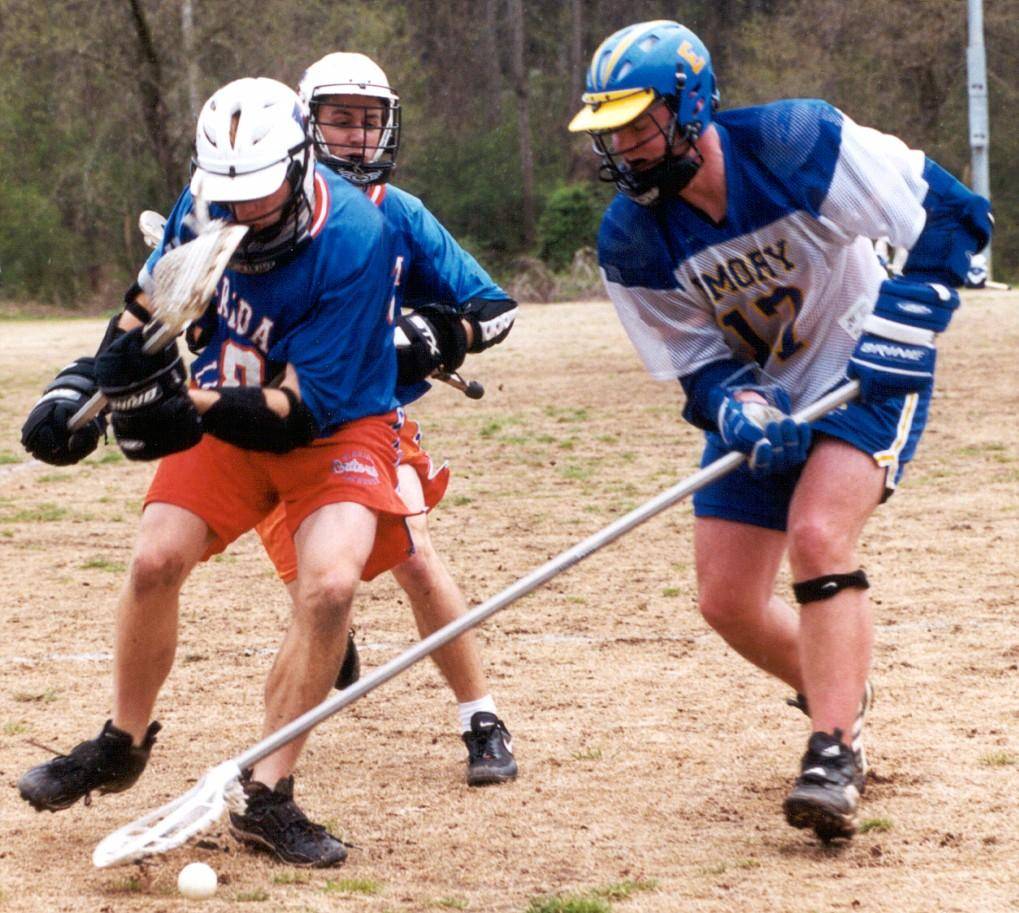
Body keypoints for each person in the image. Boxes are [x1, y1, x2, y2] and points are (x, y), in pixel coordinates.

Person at [568, 21, 991, 841]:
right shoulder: (630, 237)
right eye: (608, 130)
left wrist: (906, 320)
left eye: (637, 123)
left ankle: (832, 750)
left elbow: (951, 214)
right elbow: (697, 365)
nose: (622, 147)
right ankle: (840, 688)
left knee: (817, 532)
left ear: (689, 107)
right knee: (725, 600)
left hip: (863, 373)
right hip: (770, 390)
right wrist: (734, 406)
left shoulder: (797, 144)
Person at [18, 77, 415, 868]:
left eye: (260, 189)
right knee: (153, 558)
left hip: (333, 423)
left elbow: (299, 410)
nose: (243, 207)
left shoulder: (356, 236)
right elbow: (147, 310)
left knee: (329, 587)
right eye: (229, 190)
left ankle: (267, 794)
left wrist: (184, 404)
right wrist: (82, 389)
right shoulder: (205, 201)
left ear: (300, 165)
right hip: (225, 403)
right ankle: (122, 740)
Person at [280, 51, 518, 785]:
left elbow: (494, 309)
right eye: (339, 119)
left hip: (369, 422)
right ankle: (331, 637)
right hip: (270, 426)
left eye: (368, 120)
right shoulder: (265, 207)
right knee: (320, 583)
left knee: (412, 555)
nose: (356, 135)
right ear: (304, 123)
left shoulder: (399, 212)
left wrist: (438, 334)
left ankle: (480, 717)